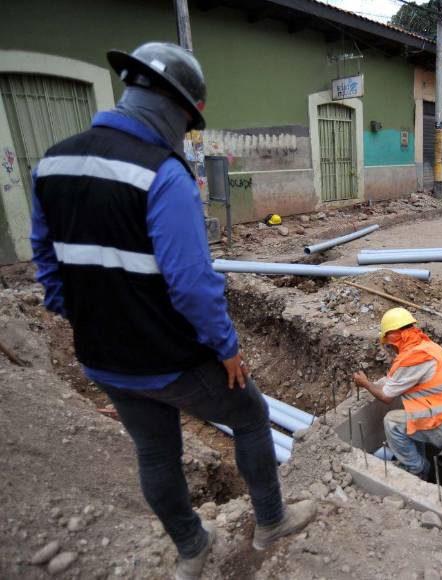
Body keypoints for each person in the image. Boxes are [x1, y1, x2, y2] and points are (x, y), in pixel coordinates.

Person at [30, 42, 315, 580]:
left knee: (156, 453)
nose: (184, 135)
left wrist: (84, 316)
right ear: (174, 105)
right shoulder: (162, 173)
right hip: (169, 357)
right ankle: (271, 523)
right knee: (251, 417)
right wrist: (226, 348)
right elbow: (191, 283)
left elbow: (46, 262)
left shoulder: (53, 162)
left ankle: (191, 548)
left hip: (102, 358)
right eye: (187, 123)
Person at [353, 308, 442, 479]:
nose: (390, 349)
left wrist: (365, 383)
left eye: (389, 345)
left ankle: (416, 468)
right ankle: (420, 463)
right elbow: (398, 381)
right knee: (412, 418)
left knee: (392, 422)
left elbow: (386, 397)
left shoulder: (413, 359)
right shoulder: (428, 347)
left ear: (393, 338)